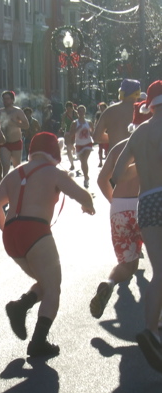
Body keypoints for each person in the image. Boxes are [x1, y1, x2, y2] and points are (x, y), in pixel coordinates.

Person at [0, 132, 95, 358]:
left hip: (11, 234)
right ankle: (38, 342)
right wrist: (89, 206)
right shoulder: (54, 173)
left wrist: (8, 230)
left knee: (46, 282)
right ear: (54, 153)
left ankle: (21, 306)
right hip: (35, 231)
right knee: (53, 289)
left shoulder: (13, 174)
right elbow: (82, 195)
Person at [112, 80, 162, 373]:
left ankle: (150, 329)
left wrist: (142, 166)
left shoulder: (140, 132)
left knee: (159, 270)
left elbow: (118, 174)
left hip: (147, 201)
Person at [91, 138, 141, 319]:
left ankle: (110, 282)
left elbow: (102, 179)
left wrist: (114, 201)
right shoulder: (155, 137)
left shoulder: (121, 146)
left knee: (128, 265)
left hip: (120, 206)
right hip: (147, 201)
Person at [93, 78, 140, 150]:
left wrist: (113, 138)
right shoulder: (141, 110)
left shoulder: (109, 111)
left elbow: (96, 137)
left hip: (114, 155)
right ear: (137, 93)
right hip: (136, 156)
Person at [0, 91, 29, 178]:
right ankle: (5, 186)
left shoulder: (17, 111)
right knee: (5, 166)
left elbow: (26, 125)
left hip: (16, 142)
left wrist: (15, 123)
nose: (5, 101)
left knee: (17, 167)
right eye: (4, 99)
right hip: (4, 143)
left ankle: (18, 185)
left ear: (12, 100)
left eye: (7, 99)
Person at [69, 105, 94, 188]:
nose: (81, 113)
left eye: (83, 111)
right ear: (77, 112)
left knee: (84, 160)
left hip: (88, 143)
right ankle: (86, 175)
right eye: (79, 111)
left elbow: (92, 132)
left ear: (85, 112)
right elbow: (71, 134)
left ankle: (86, 178)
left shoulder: (89, 122)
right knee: (82, 162)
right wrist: (77, 129)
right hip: (79, 144)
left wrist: (92, 134)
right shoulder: (75, 123)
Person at [60, 101, 78, 171]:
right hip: (67, 132)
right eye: (67, 108)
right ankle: (72, 164)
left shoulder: (75, 113)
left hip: (75, 132)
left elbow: (78, 121)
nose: (68, 110)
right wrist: (61, 128)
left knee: (73, 146)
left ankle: (74, 149)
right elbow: (63, 123)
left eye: (69, 108)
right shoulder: (65, 115)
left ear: (72, 108)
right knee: (68, 149)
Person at [95, 102, 108, 167]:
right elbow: (96, 122)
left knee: (106, 149)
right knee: (100, 149)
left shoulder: (108, 113)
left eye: (102, 107)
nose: (101, 109)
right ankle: (100, 162)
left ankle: (106, 161)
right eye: (100, 108)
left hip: (107, 133)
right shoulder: (98, 114)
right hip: (100, 132)